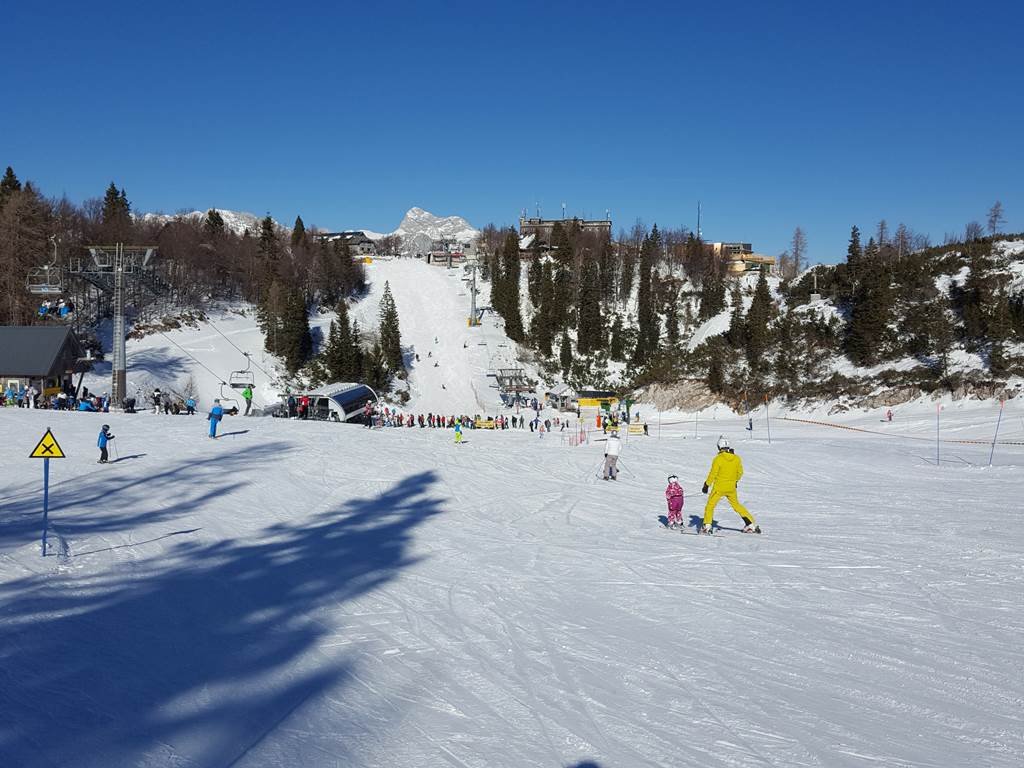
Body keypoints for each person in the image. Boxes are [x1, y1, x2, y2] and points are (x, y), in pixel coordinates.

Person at [701, 436, 759, 534]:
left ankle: (707, 526)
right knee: (737, 505)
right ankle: (750, 524)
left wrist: (706, 485)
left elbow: (713, 473)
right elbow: (740, 472)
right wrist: (735, 481)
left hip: (719, 488)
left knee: (710, 506)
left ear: (719, 447)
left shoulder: (718, 459)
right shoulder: (736, 458)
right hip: (731, 488)